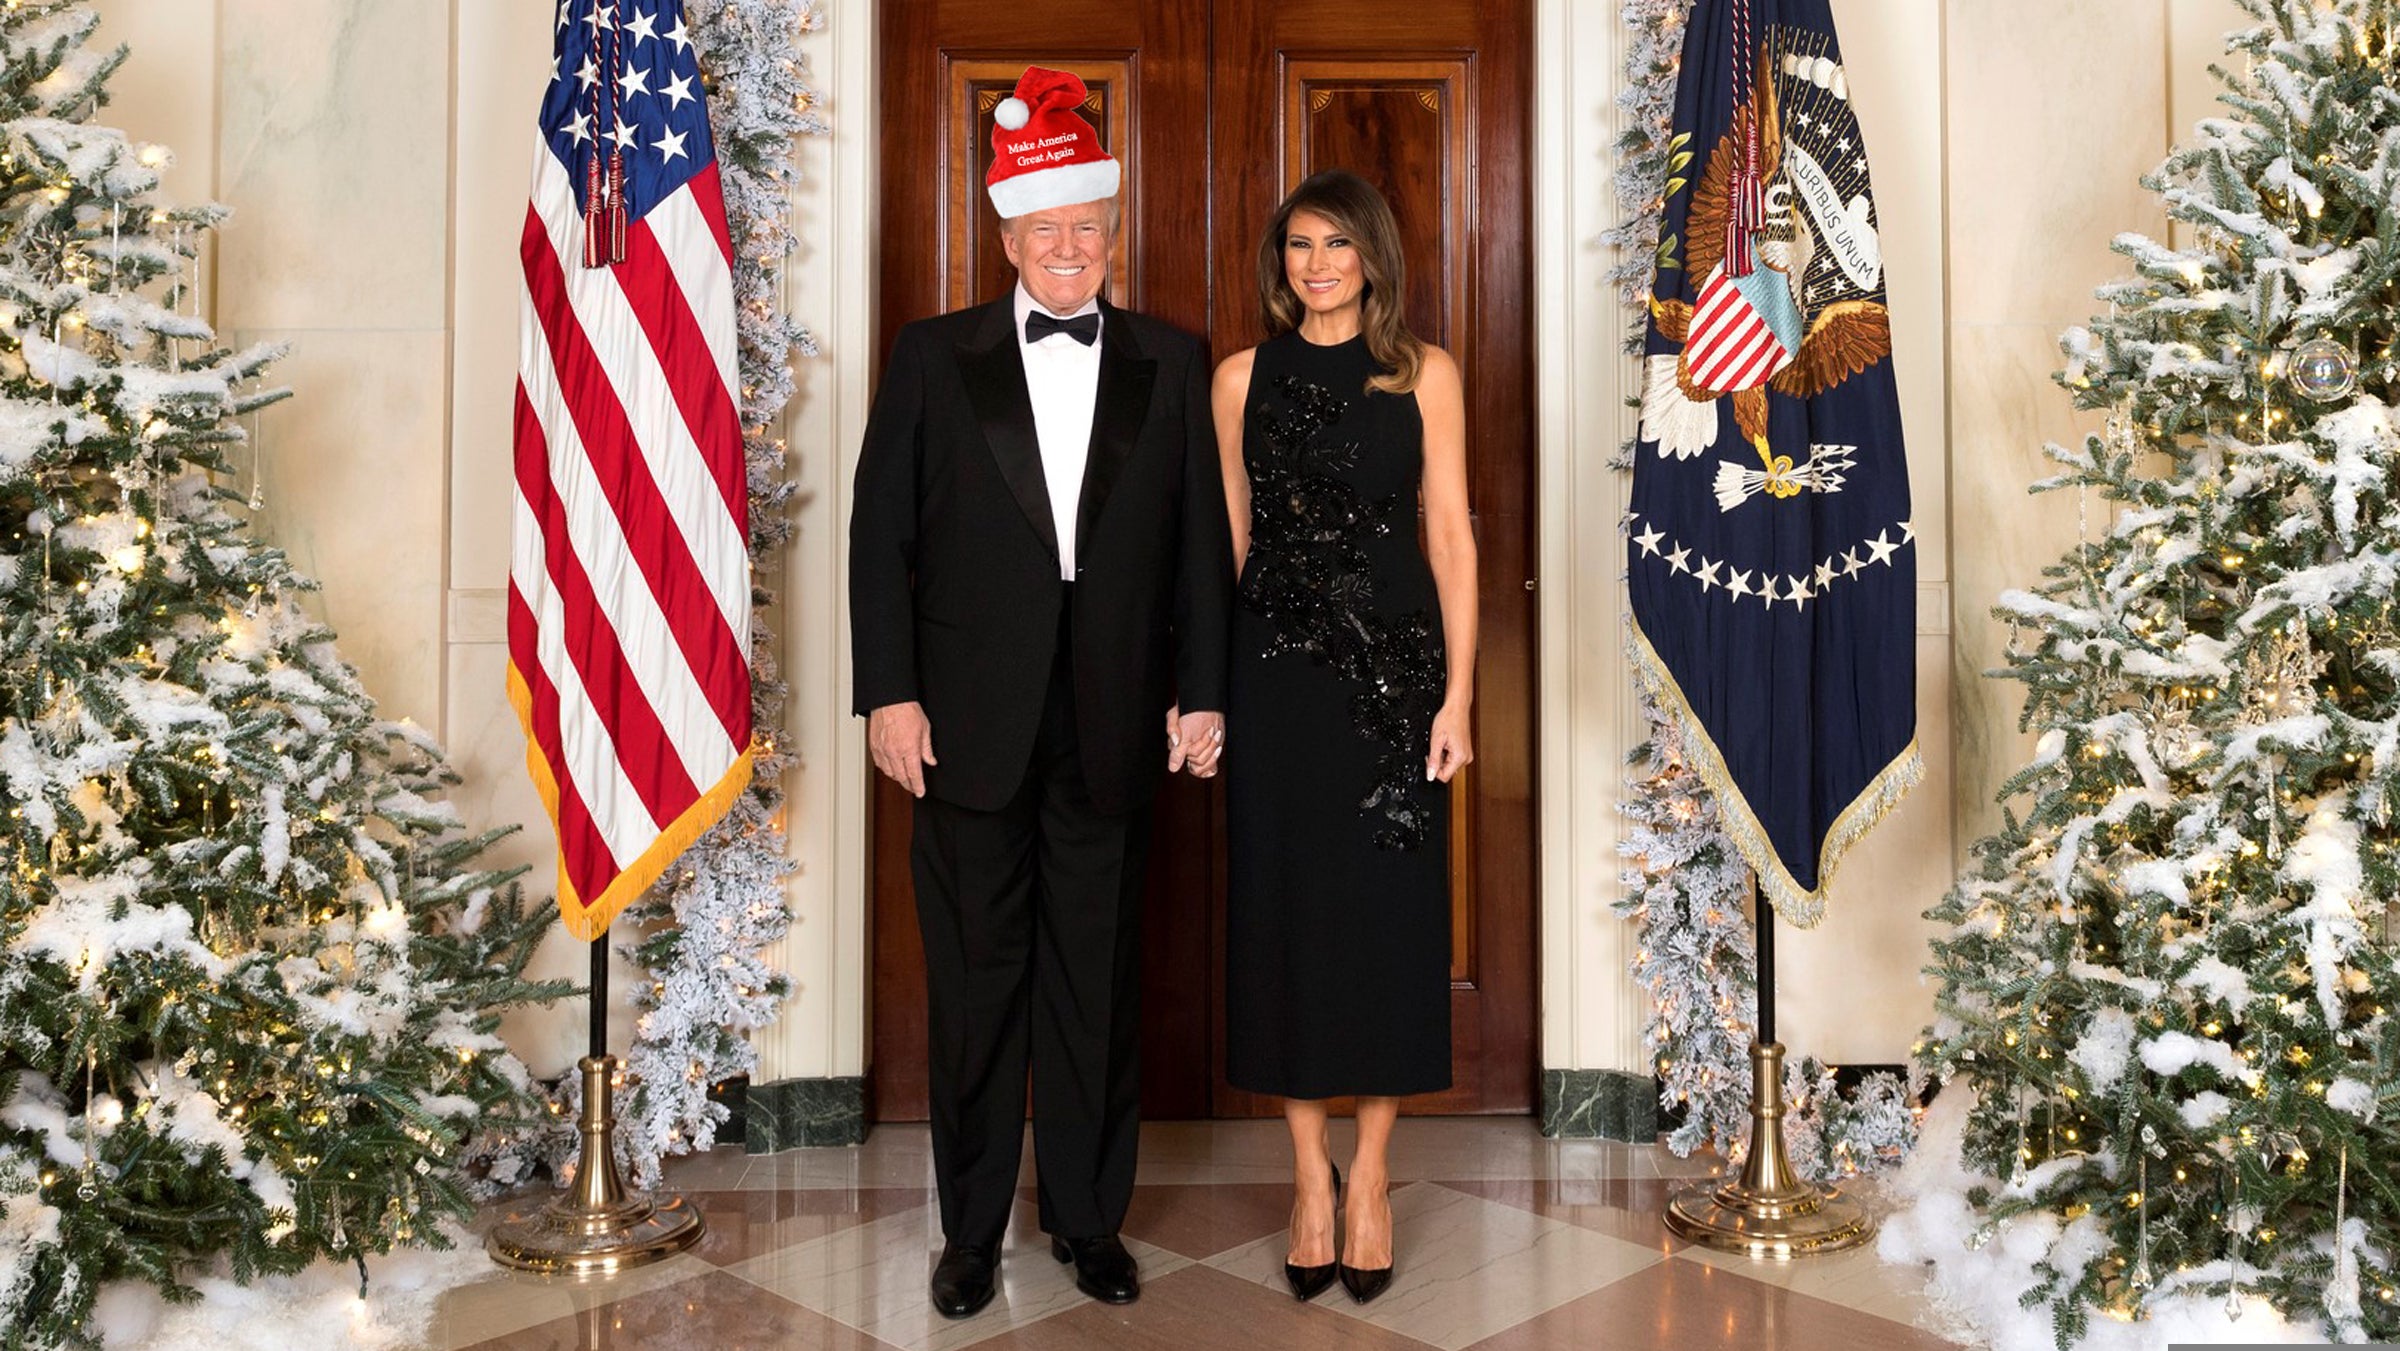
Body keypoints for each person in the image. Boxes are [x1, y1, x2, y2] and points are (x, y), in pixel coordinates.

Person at [849, 66, 1231, 1319]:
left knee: (1095, 983)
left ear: (1112, 234)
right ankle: (969, 1234)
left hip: (1117, 717)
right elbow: (878, 538)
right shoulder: (931, 356)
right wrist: (889, 695)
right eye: (1046, 230)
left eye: (1089, 228)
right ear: (1009, 236)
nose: (1069, 249)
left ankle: (1086, 1217)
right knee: (974, 985)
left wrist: (1203, 691)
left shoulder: (1171, 360)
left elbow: (1199, 546)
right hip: (962, 722)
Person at [1208, 169, 1478, 1306]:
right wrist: (1217, 692)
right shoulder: (1239, 379)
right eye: (1298, 246)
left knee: (1385, 924)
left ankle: (1369, 1177)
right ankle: (1305, 1182)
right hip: (1277, 684)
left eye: (1336, 245)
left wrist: (1458, 697)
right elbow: (1228, 543)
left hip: (1394, 690)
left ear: (1373, 258)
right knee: (1288, 919)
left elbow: (1450, 536)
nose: (1316, 265)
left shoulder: (1424, 375)